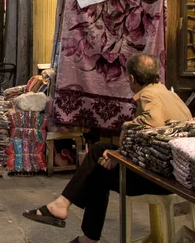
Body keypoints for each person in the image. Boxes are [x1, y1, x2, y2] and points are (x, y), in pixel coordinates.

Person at [23, 54, 192, 243]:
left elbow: (154, 128)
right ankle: (70, 217)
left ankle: (68, 214)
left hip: (157, 180)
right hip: (175, 178)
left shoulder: (148, 95)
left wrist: (126, 134)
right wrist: (119, 152)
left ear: (132, 78)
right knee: (100, 157)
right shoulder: (172, 96)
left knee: (98, 167)